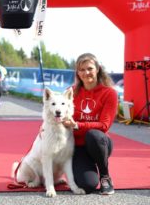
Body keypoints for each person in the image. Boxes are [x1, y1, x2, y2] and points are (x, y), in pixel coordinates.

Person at [62, 53, 118, 195]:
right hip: (77, 146)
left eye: (89, 68)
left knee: (93, 134)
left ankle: (105, 177)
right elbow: (59, 114)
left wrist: (77, 125)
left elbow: (104, 125)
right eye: (81, 70)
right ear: (77, 72)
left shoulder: (109, 93)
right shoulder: (72, 92)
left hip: (99, 143)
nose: (86, 73)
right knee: (87, 185)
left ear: (97, 69)